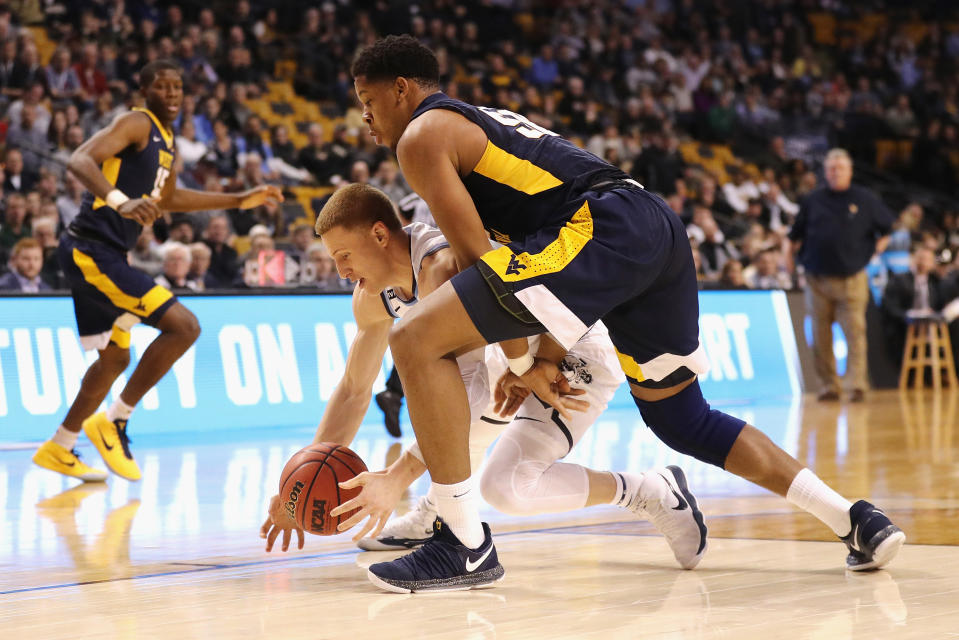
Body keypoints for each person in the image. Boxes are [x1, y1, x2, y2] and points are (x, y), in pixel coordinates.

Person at [346, 36, 904, 593]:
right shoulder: (475, 120)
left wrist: (522, 365)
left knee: (415, 338)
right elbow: (543, 276)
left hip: (599, 226)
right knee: (683, 419)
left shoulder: (421, 136)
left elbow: (478, 259)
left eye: (368, 101)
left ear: (402, 89)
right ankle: (854, 519)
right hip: (650, 226)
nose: (366, 119)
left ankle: (464, 544)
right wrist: (540, 355)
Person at [260, 184, 707, 576]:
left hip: (569, 348)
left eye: (344, 256)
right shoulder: (371, 299)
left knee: (470, 419)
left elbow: (473, 401)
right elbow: (355, 390)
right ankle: (648, 489)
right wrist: (294, 486)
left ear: (379, 235)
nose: (341, 272)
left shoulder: (442, 268)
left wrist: (396, 478)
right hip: (509, 367)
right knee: (508, 487)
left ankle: (646, 492)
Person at [31, 60, 282, 483]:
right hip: (92, 249)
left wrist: (239, 200)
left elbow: (168, 198)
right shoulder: (135, 122)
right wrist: (119, 200)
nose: (171, 93)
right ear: (145, 90)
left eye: (177, 87)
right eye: (162, 86)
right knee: (184, 327)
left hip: (110, 253)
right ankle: (115, 420)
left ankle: (60, 444)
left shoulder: (168, 142)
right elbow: (79, 159)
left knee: (114, 360)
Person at [789, 149, 894, 402]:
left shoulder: (865, 199)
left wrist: (872, 253)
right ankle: (829, 385)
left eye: (840, 168)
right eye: (831, 168)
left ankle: (856, 384)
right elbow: (794, 237)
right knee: (820, 335)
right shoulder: (812, 200)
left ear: (850, 171)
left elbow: (887, 229)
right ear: (825, 172)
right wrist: (792, 267)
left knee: (855, 332)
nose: (835, 172)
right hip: (817, 279)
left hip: (852, 278)